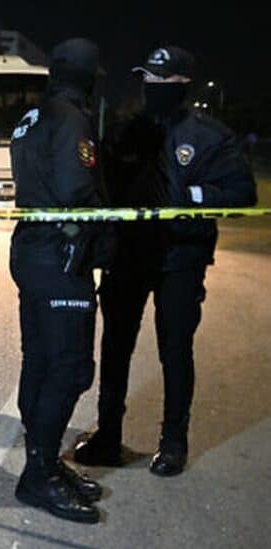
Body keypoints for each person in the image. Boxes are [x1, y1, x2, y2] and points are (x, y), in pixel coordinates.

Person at [74, 47, 257, 476]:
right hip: (128, 256)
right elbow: (103, 188)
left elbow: (242, 192)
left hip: (180, 257)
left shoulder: (210, 136)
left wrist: (190, 196)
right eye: (147, 79)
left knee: (174, 349)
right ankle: (108, 436)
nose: (151, 87)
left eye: (161, 81)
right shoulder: (124, 131)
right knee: (115, 347)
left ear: (182, 85)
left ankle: (173, 442)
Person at [8, 39, 111, 523]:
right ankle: (39, 476)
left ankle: (42, 463)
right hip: (61, 256)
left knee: (40, 360)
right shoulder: (72, 118)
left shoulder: (33, 116)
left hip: (32, 250)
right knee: (69, 368)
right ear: (86, 77)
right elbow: (74, 189)